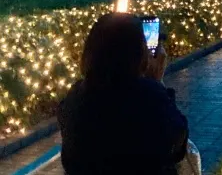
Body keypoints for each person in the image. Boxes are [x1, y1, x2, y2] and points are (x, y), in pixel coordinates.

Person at [58, 13, 188, 175]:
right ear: (139, 52)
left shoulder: (75, 96)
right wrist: (157, 83)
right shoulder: (148, 99)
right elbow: (177, 145)